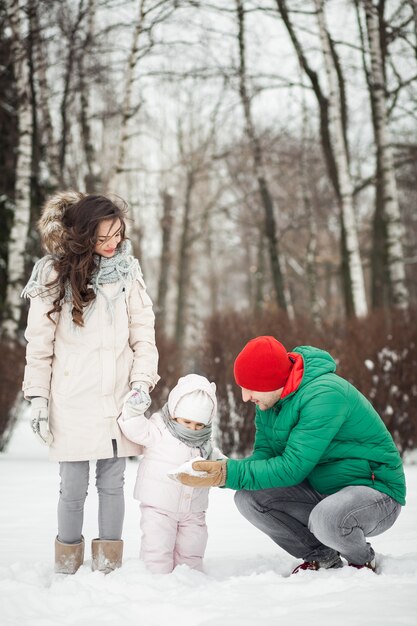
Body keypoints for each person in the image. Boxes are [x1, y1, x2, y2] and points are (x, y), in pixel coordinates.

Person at [177, 336, 406, 574]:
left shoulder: (325, 395)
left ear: (271, 381)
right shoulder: (269, 402)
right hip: (324, 490)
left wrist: (226, 474)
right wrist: (220, 468)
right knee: (248, 498)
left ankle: (362, 560)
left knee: (326, 519)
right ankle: (322, 557)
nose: (245, 397)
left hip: (376, 493)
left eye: (250, 387)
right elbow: (266, 455)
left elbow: (292, 467)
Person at [21, 191, 159, 575]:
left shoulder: (128, 273)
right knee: (73, 487)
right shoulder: (52, 274)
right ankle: (67, 567)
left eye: (118, 233)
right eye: (103, 237)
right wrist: (38, 399)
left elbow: (143, 335)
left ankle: (108, 568)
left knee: (113, 484)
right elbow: (40, 344)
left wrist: (141, 384)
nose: (114, 243)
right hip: (71, 400)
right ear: (83, 236)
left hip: (117, 400)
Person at [118, 373, 224, 574]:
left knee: (193, 548)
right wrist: (132, 411)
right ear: (175, 412)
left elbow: (216, 460)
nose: (193, 429)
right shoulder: (159, 429)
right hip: (159, 506)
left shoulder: (204, 442)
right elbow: (136, 429)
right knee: (157, 548)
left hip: (193, 509)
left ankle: (191, 580)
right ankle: (157, 581)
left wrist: (225, 466)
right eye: (187, 422)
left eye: (199, 425)